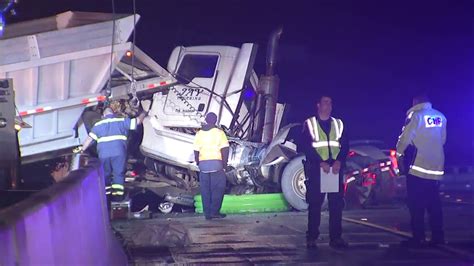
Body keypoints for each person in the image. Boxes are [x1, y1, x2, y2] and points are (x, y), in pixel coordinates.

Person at [396, 93, 447, 247]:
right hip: (436, 168)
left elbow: (405, 138)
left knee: (416, 205)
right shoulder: (441, 117)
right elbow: (443, 140)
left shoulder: (415, 116)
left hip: (417, 168)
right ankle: (438, 237)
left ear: (415, 102)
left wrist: (399, 154)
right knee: (434, 204)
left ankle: (418, 237)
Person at [300, 95, 349, 249]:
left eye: (330, 103)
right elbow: (305, 147)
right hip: (317, 170)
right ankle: (312, 238)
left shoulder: (338, 124)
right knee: (315, 204)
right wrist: (320, 162)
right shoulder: (310, 123)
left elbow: (345, 145)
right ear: (318, 105)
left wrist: (339, 161)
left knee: (336, 205)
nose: (328, 105)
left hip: (334, 169)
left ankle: (336, 238)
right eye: (325, 102)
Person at [79, 107, 145, 202]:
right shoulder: (121, 121)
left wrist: (81, 150)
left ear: (103, 116)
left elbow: (89, 140)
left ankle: (106, 197)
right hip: (119, 153)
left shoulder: (98, 125)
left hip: (103, 154)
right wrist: (144, 113)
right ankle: (117, 196)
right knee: (118, 174)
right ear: (113, 113)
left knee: (105, 174)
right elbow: (137, 121)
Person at [193, 112, 229, 220]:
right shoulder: (219, 133)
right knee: (218, 189)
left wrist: (198, 162)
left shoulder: (199, 133)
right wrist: (225, 165)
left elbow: (196, 150)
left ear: (206, 120)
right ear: (215, 120)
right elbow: (225, 149)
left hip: (203, 165)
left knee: (205, 190)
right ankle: (215, 212)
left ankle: (207, 214)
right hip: (216, 165)